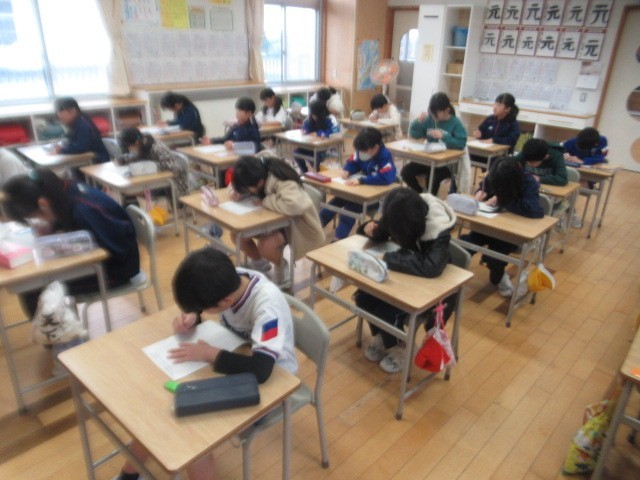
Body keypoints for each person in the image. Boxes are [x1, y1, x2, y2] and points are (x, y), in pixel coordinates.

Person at [115, 247, 297, 480]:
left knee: (191, 433)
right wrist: (193, 316)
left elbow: (261, 371)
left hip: (274, 381)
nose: (201, 310)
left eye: (203, 308)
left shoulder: (267, 307)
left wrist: (210, 354)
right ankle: (130, 474)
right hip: (237, 355)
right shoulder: (230, 278)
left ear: (225, 301)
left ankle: (132, 474)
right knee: (160, 408)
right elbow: (207, 304)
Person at [2, 168, 140, 318]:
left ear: (43, 204)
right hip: (104, 262)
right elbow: (71, 221)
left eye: (34, 217)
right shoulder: (63, 190)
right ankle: (56, 328)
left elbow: (118, 252)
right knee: (33, 283)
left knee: (33, 289)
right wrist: (54, 228)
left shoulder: (85, 211)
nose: (38, 221)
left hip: (117, 271)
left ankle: (56, 331)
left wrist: (73, 249)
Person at [354, 187, 456, 373]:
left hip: (428, 288)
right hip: (402, 276)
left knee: (386, 310)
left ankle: (400, 347)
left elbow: (431, 266)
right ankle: (384, 337)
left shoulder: (438, 226)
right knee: (363, 297)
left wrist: (390, 258)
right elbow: (383, 231)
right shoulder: (399, 209)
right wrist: (368, 229)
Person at [230, 155, 325, 284]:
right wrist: (236, 191)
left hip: (293, 224)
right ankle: (260, 263)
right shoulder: (256, 166)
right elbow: (237, 180)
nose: (247, 191)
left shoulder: (282, 180)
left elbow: (294, 206)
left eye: (247, 189)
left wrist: (265, 201)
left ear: (260, 182)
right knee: (237, 235)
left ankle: (282, 267)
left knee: (266, 245)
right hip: (269, 218)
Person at [459, 157, 544, 297]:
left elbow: (535, 210)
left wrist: (502, 200)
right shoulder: (495, 175)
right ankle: (453, 281)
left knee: (495, 258)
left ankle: (498, 276)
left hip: (510, 234)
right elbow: (484, 187)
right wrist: (479, 193)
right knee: (464, 246)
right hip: (486, 227)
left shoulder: (528, 182)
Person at [319, 127, 396, 241]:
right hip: (357, 192)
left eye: (364, 151)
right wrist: (347, 170)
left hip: (374, 198)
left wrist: (362, 180)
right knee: (334, 202)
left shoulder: (385, 156)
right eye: (360, 150)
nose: (361, 153)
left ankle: (338, 238)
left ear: (375, 147)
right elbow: (352, 162)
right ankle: (316, 228)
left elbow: (386, 177)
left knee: (349, 210)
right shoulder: (362, 151)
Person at [401, 92, 467, 195]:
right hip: (428, 160)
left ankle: (430, 199)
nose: (434, 116)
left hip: (444, 164)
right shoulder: (430, 119)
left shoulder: (455, 123)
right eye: (432, 113)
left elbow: (461, 143)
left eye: (437, 113)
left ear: (447, 110)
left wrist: (444, 137)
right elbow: (415, 134)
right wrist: (417, 122)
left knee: (432, 180)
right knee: (405, 172)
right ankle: (420, 193)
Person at [117, 127, 189, 197]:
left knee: (133, 192)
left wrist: (153, 167)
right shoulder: (140, 146)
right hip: (154, 182)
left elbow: (175, 168)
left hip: (173, 184)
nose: (128, 151)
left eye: (128, 148)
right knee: (130, 191)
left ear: (136, 143)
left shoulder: (157, 147)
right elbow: (133, 156)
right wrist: (122, 159)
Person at [53, 97, 109, 165]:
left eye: (60, 111)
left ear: (72, 111)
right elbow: (72, 142)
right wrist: (62, 147)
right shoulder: (74, 123)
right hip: (87, 160)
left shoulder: (83, 125)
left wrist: (61, 150)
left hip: (97, 161)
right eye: (57, 111)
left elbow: (81, 148)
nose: (58, 115)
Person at [472, 93, 520, 165]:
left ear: (507, 109)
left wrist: (494, 140)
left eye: (499, 105)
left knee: (493, 162)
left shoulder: (513, 123)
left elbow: (511, 140)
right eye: (495, 104)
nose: (495, 107)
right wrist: (479, 134)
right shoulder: (490, 119)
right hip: (486, 151)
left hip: (501, 156)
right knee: (467, 155)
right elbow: (482, 131)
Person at [295, 100, 339, 173]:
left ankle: (318, 173)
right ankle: (305, 172)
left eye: (315, 114)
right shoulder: (311, 117)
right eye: (312, 114)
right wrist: (305, 130)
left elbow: (335, 131)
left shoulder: (330, 118)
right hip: (311, 145)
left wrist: (319, 133)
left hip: (325, 148)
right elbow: (306, 126)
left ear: (321, 113)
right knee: (297, 152)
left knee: (317, 157)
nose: (314, 116)